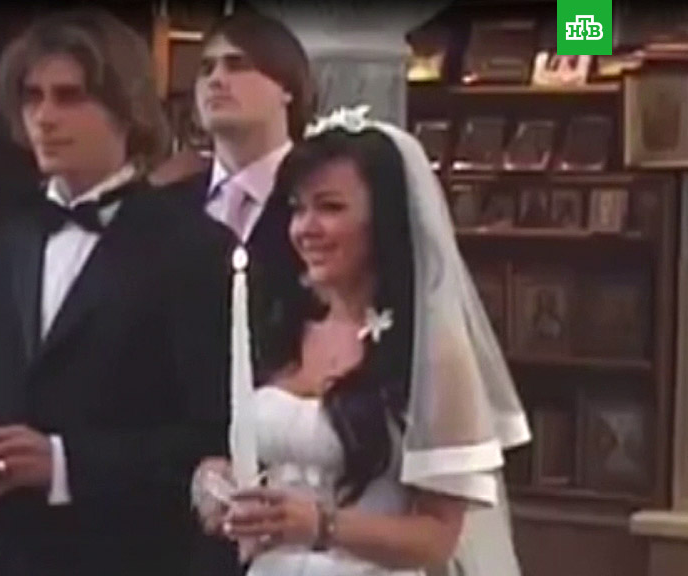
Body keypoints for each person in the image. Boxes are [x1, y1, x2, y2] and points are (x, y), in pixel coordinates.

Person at [0, 9, 234, 576]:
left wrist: (65, 464)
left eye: (69, 97)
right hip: (6, 557)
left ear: (126, 108)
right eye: (32, 97)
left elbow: (215, 438)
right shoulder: (3, 246)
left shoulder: (192, 248)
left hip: (131, 556)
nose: (44, 117)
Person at [191, 106, 532, 576]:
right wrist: (219, 482)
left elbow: (437, 537)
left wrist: (322, 525)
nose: (305, 228)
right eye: (298, 208)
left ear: (384, 220)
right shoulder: (284, 329)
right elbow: (260, 459)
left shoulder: (432, 354)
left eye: (330, 207)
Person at [155, 10, 316, 575]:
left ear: (287, 87)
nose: (216, 80)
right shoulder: (163, 208)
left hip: (295, 483)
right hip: (170, 496)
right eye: (206, 69)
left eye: (238, 64)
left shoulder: (321, 201)